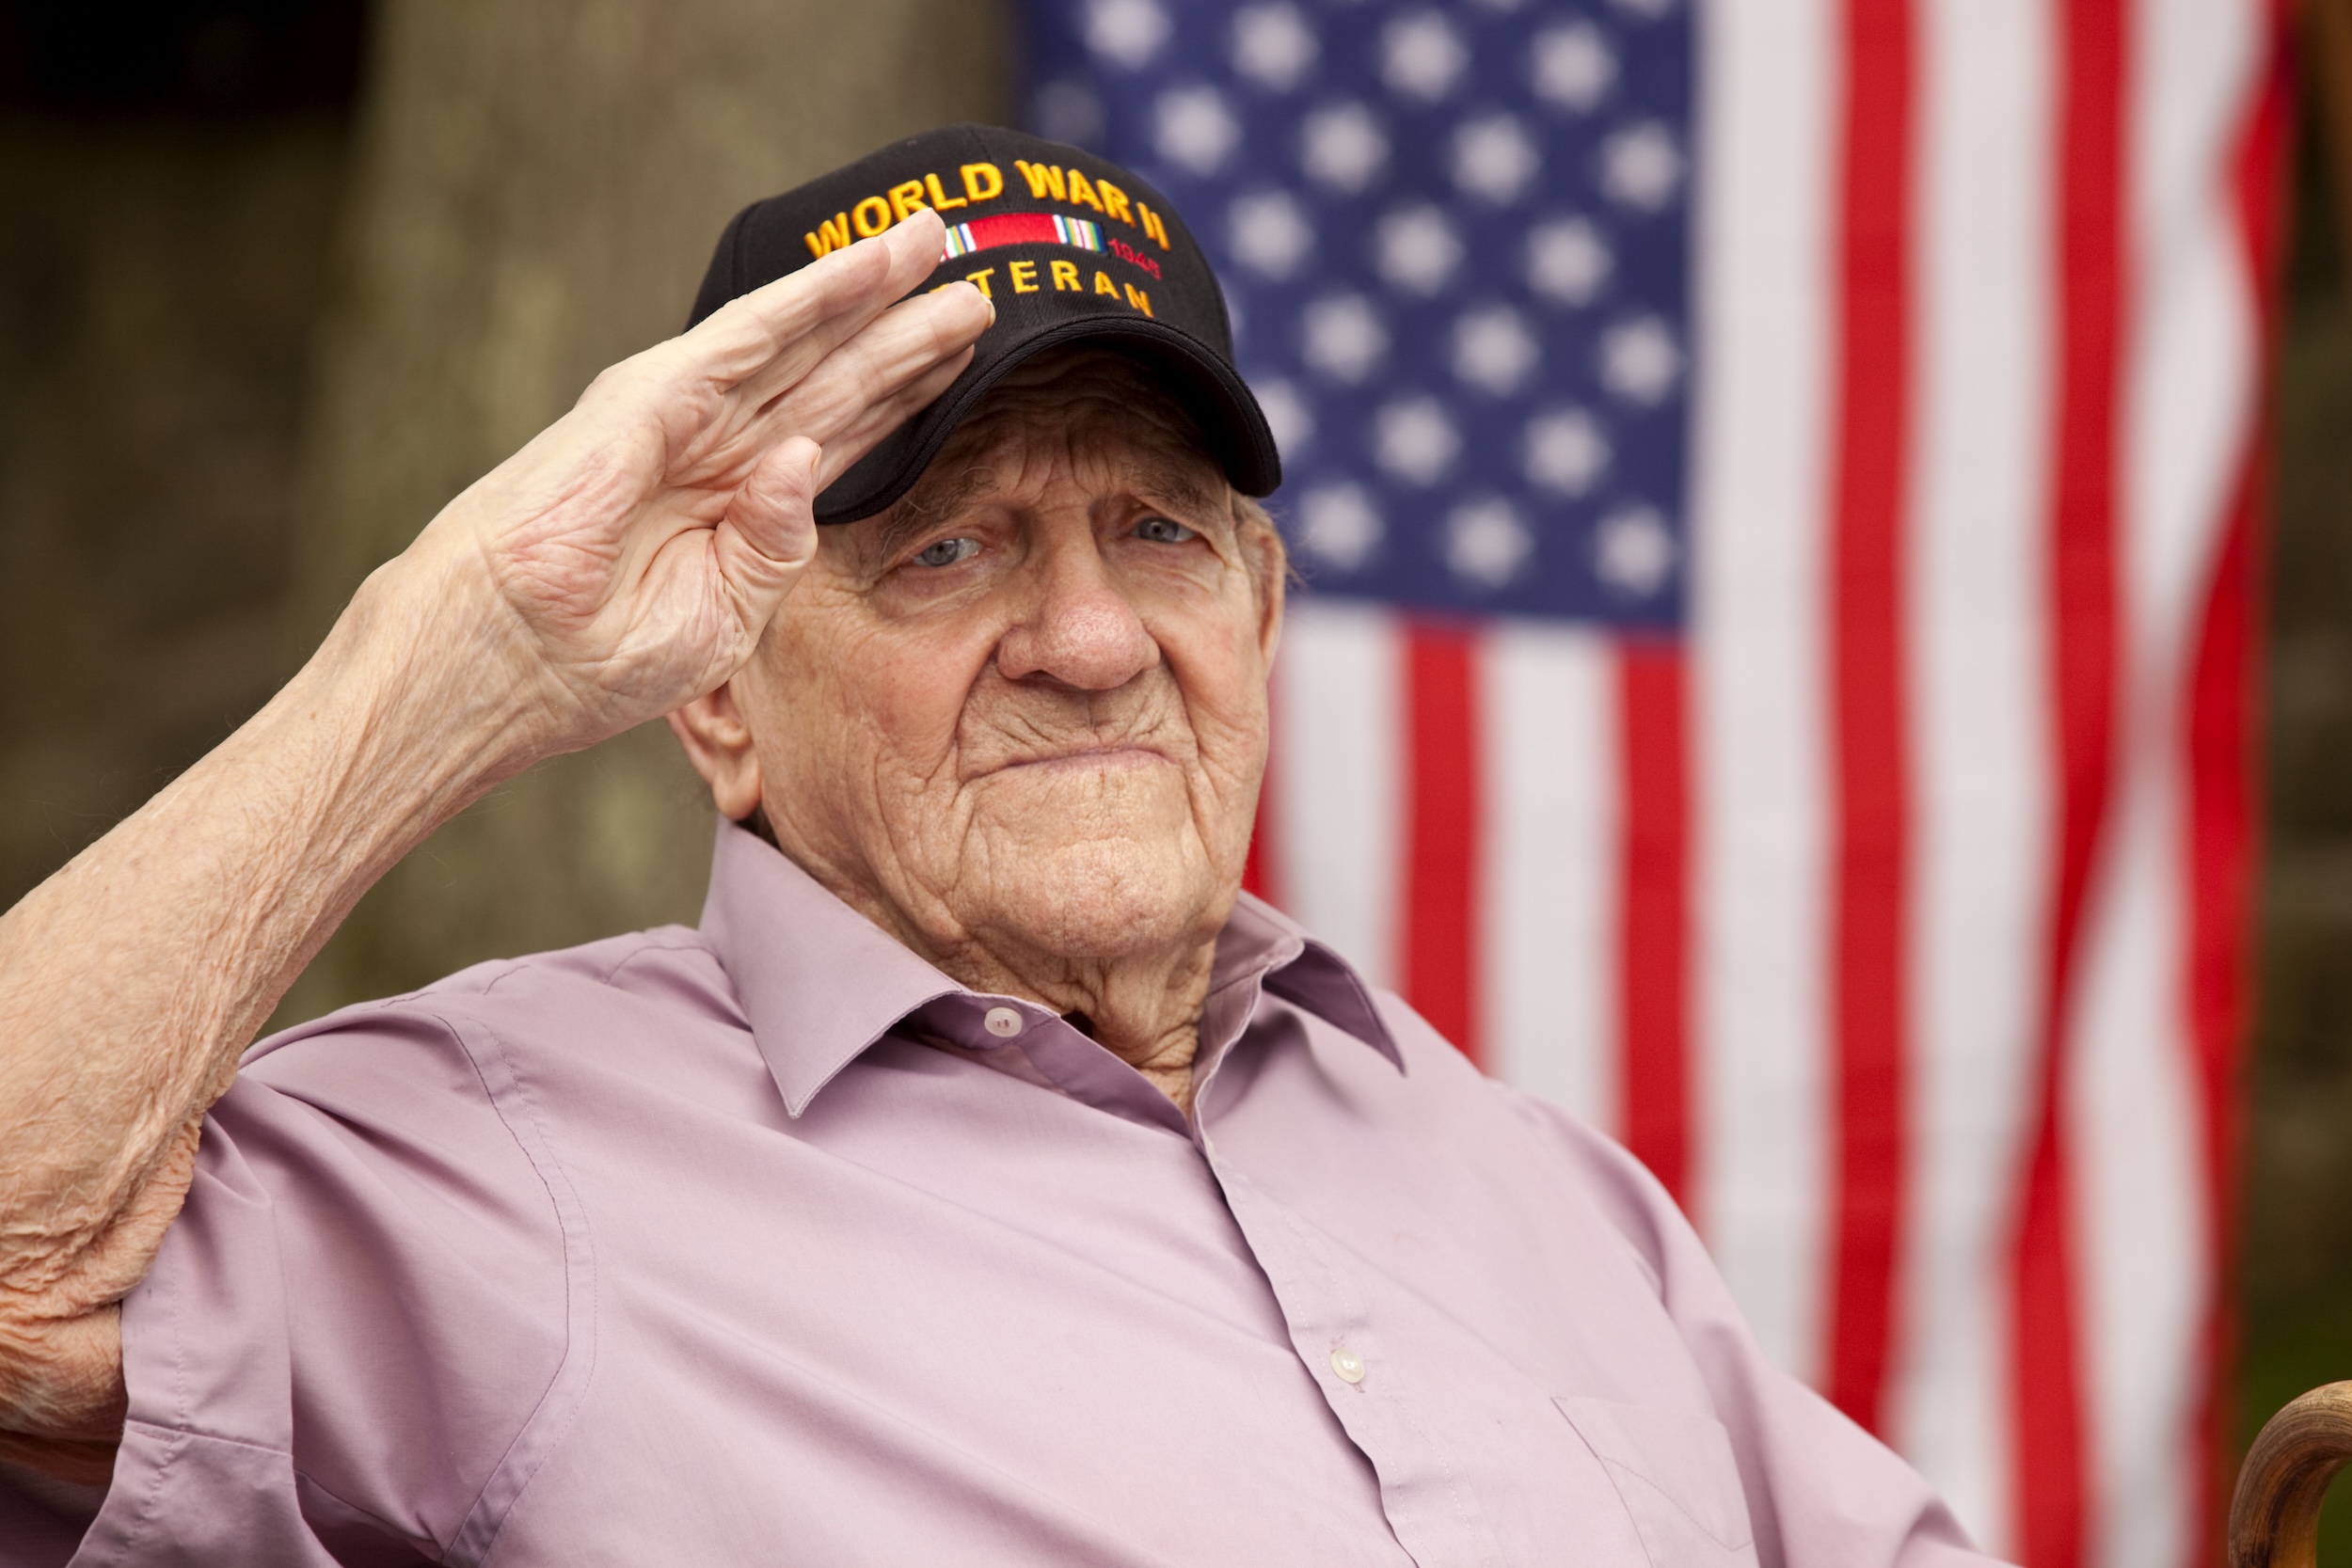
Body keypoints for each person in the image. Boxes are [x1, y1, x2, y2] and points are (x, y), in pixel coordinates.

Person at [0, 125, 1997, 1567]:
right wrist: (465, 648)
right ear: (715, 693)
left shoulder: (1530, 1180)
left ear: (1259, 614)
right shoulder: (496, 1165)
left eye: (1159, 531)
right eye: (947, 547)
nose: (1090, 639)